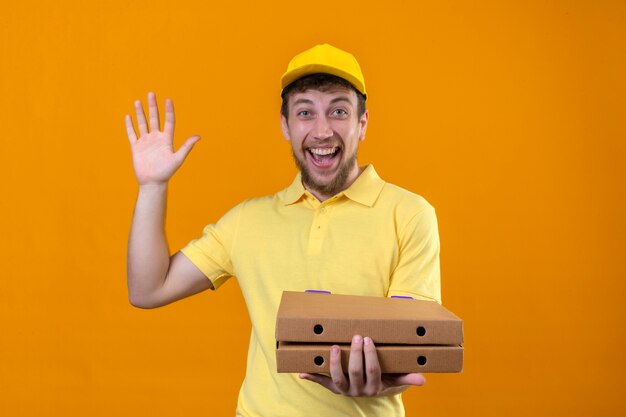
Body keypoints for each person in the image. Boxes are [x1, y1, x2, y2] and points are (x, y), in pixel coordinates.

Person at [125, 43, 441, 417]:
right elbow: (148, 289)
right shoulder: (247, 220)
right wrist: (152, 188)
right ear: (285, 125)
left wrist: (383, 378)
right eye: (305, 112)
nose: (322, 131)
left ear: (362, 123)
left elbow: (412, 349)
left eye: (339, 111)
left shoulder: (409, 213)